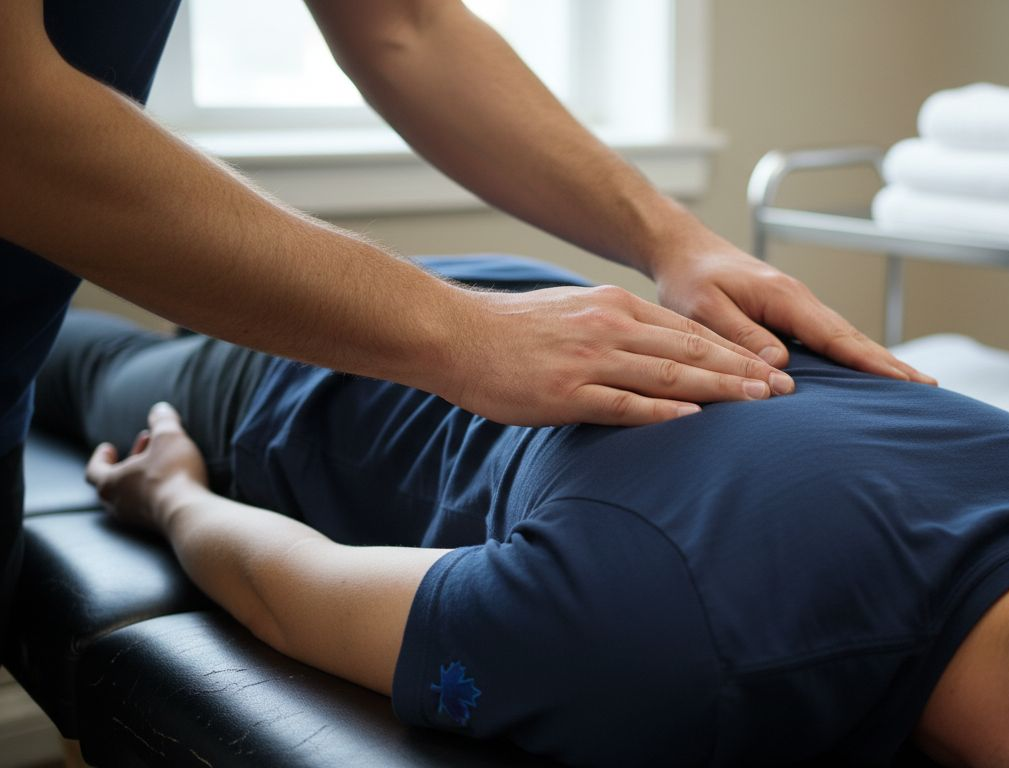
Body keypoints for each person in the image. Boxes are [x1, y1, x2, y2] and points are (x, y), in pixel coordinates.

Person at [36, 257, 1009, 768]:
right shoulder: (673, 634)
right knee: (61, 355)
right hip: (315, 385)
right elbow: (290, 590)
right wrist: (173, 495)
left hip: (559, 321)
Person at [0, 1, 931, 645]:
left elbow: (408, 25)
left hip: (443, 323)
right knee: (105, 375)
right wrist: (466, 335)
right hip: (314, 384)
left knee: (82, 367)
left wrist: (675, 240)